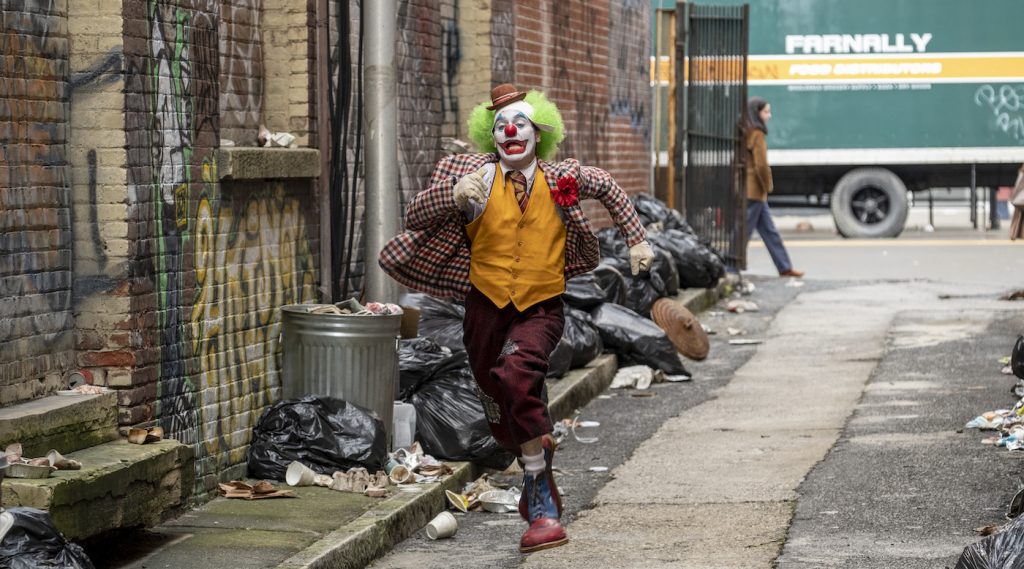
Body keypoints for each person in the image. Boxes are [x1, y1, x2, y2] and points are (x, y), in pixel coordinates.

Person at [379, 84, 655, 552]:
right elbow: (413, 213)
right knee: (496, 399)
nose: (511, 133)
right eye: (502, 127)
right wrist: (451, 194)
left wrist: (636, 239)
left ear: (538, 132)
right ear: (492, 135)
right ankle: (534, 449)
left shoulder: (561, 177)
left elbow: (608, 185)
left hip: (541, 304)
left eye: (520, 125)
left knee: (517, 372)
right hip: (483, 306)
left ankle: (540, 498)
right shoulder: (474, 178)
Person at [742, 96, 804, 277]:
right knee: (744, 232)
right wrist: (768, 186)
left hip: (752, 191)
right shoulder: (757, 134)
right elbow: (761, 165)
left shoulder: (746, 132)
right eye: (766, 111)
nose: (769, 115)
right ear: (757, 113)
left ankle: (784, 267)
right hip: (754, 191)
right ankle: (728, 267)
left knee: (770, 232)